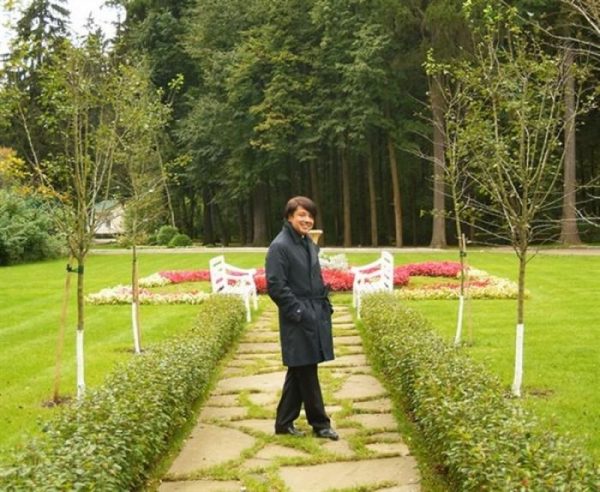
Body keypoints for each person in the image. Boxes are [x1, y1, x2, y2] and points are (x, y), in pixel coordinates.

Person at [265, 196, 339, 441]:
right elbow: (276, 286)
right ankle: (320, 424)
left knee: (300, 368)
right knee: (307, 371)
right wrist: (298, 312)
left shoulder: (306, 242)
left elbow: (314, 276)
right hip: (297, 316)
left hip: (314, 312)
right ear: (289, 217)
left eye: (310, 215)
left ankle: (284, 422)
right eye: (301, 215)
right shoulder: (280, 246)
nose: (307, 220)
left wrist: (324, 305)